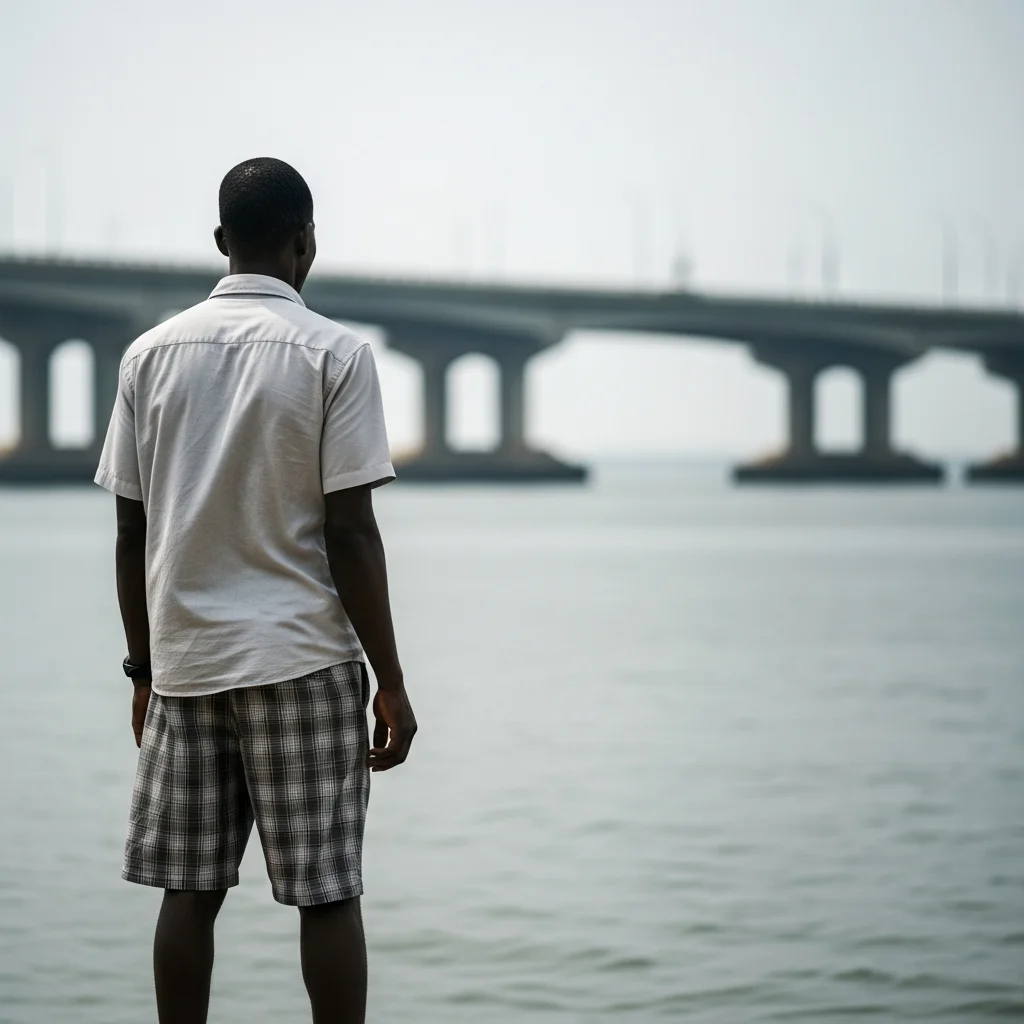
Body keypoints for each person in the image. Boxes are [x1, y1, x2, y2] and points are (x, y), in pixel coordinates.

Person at [95, 156, 417, 1024]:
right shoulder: (336, 355)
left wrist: (141, 671)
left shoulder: (147, 357)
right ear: (306, 242)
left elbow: (130, 532)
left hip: (187, 666)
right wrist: (389, 678)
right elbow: (350, 533)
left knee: (188, 894)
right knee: (327, 893)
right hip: (302, 661)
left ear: (219, 243)